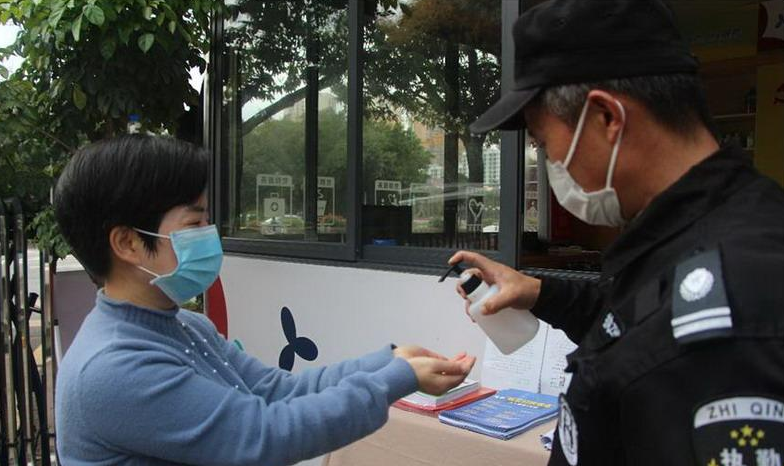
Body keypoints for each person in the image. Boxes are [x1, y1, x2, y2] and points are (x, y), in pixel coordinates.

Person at [451, 0, 784, 464]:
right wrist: (539, 292)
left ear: (606, 117)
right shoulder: (682, 238)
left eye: (545, 144)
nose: (550, 163)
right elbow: (636, 320)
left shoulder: (740, 297)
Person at [53, 135, 475, 465]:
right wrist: (396, 378)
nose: (209, 234)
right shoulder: (113, 369)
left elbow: (278, 391)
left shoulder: (187, 326)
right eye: (194, 223)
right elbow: (263, 435)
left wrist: (390, 360)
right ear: (127, 243)